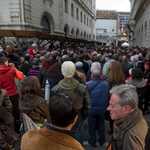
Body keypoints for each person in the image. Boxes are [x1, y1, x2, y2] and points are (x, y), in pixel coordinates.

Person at [51, 61, 90, 145]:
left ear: (62, 71)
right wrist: (82, 117)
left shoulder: (55, 89)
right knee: (77, 145)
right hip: (77, 120)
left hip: (60, 122)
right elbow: (87, 107)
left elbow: (53, 108)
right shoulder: (82, 88)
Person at [107, 85, 148, 150]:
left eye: (112, 106)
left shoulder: (130, 136)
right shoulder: (133, 117)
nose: (108, 108)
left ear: (126, 109)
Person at [0, 57, 24, 133]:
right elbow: (20, 77)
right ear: (5, 62)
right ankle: (17, 130)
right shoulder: (12, 70)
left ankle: (4, 131)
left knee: (2, 113)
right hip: (13, 93)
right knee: (16, 112)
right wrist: (14, 68)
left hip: (1, 94)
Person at [85, 69, 109, 147]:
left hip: (92, 109)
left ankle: (93, 141)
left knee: (91, 126)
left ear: (92, 76)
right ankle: (101, 140)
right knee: (101, 125)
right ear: (100, 76)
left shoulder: (87, 84)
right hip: (102, 108)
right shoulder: (106, 84)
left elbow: (86, 97)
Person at [105, 61, 125, 136]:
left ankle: (113, 130)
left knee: (112, 115)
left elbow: (108, 88)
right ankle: (119, 129)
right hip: (120, 96)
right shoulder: (122, 76)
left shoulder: (110, 78)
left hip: (112, 97)